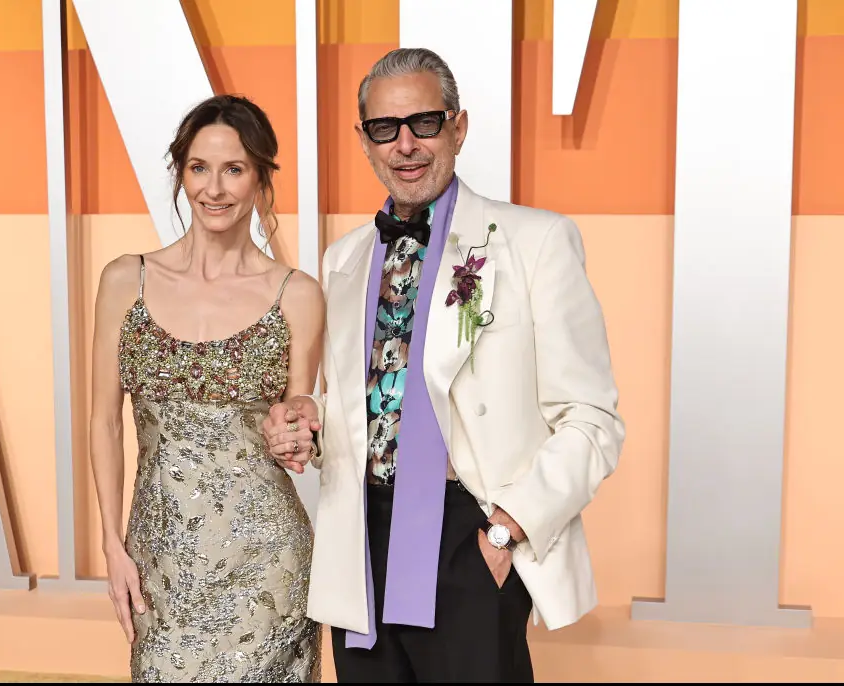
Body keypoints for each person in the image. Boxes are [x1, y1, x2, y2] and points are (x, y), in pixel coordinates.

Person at [264, 48, 626, 682]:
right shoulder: (344, 260)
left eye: (424, 123)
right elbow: (369, 398)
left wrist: (507, 531)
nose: (405, 145)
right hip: (360, 538)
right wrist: (308, 423)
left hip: (469, 535)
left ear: (457, 127)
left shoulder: (535, 241)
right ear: (365, 141)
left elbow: (592, 418)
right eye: (385, 128)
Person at [89, 94, 325, 682]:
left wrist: (298, 434)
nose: (214, 189)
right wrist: (112, 545)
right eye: (199, 168)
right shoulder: (125, 280)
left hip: (266, 566)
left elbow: (298, 419)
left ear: (261, 179)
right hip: (159, 561)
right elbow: (104, 421)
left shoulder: (296, 294)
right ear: (181, 174)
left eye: (234, 169)